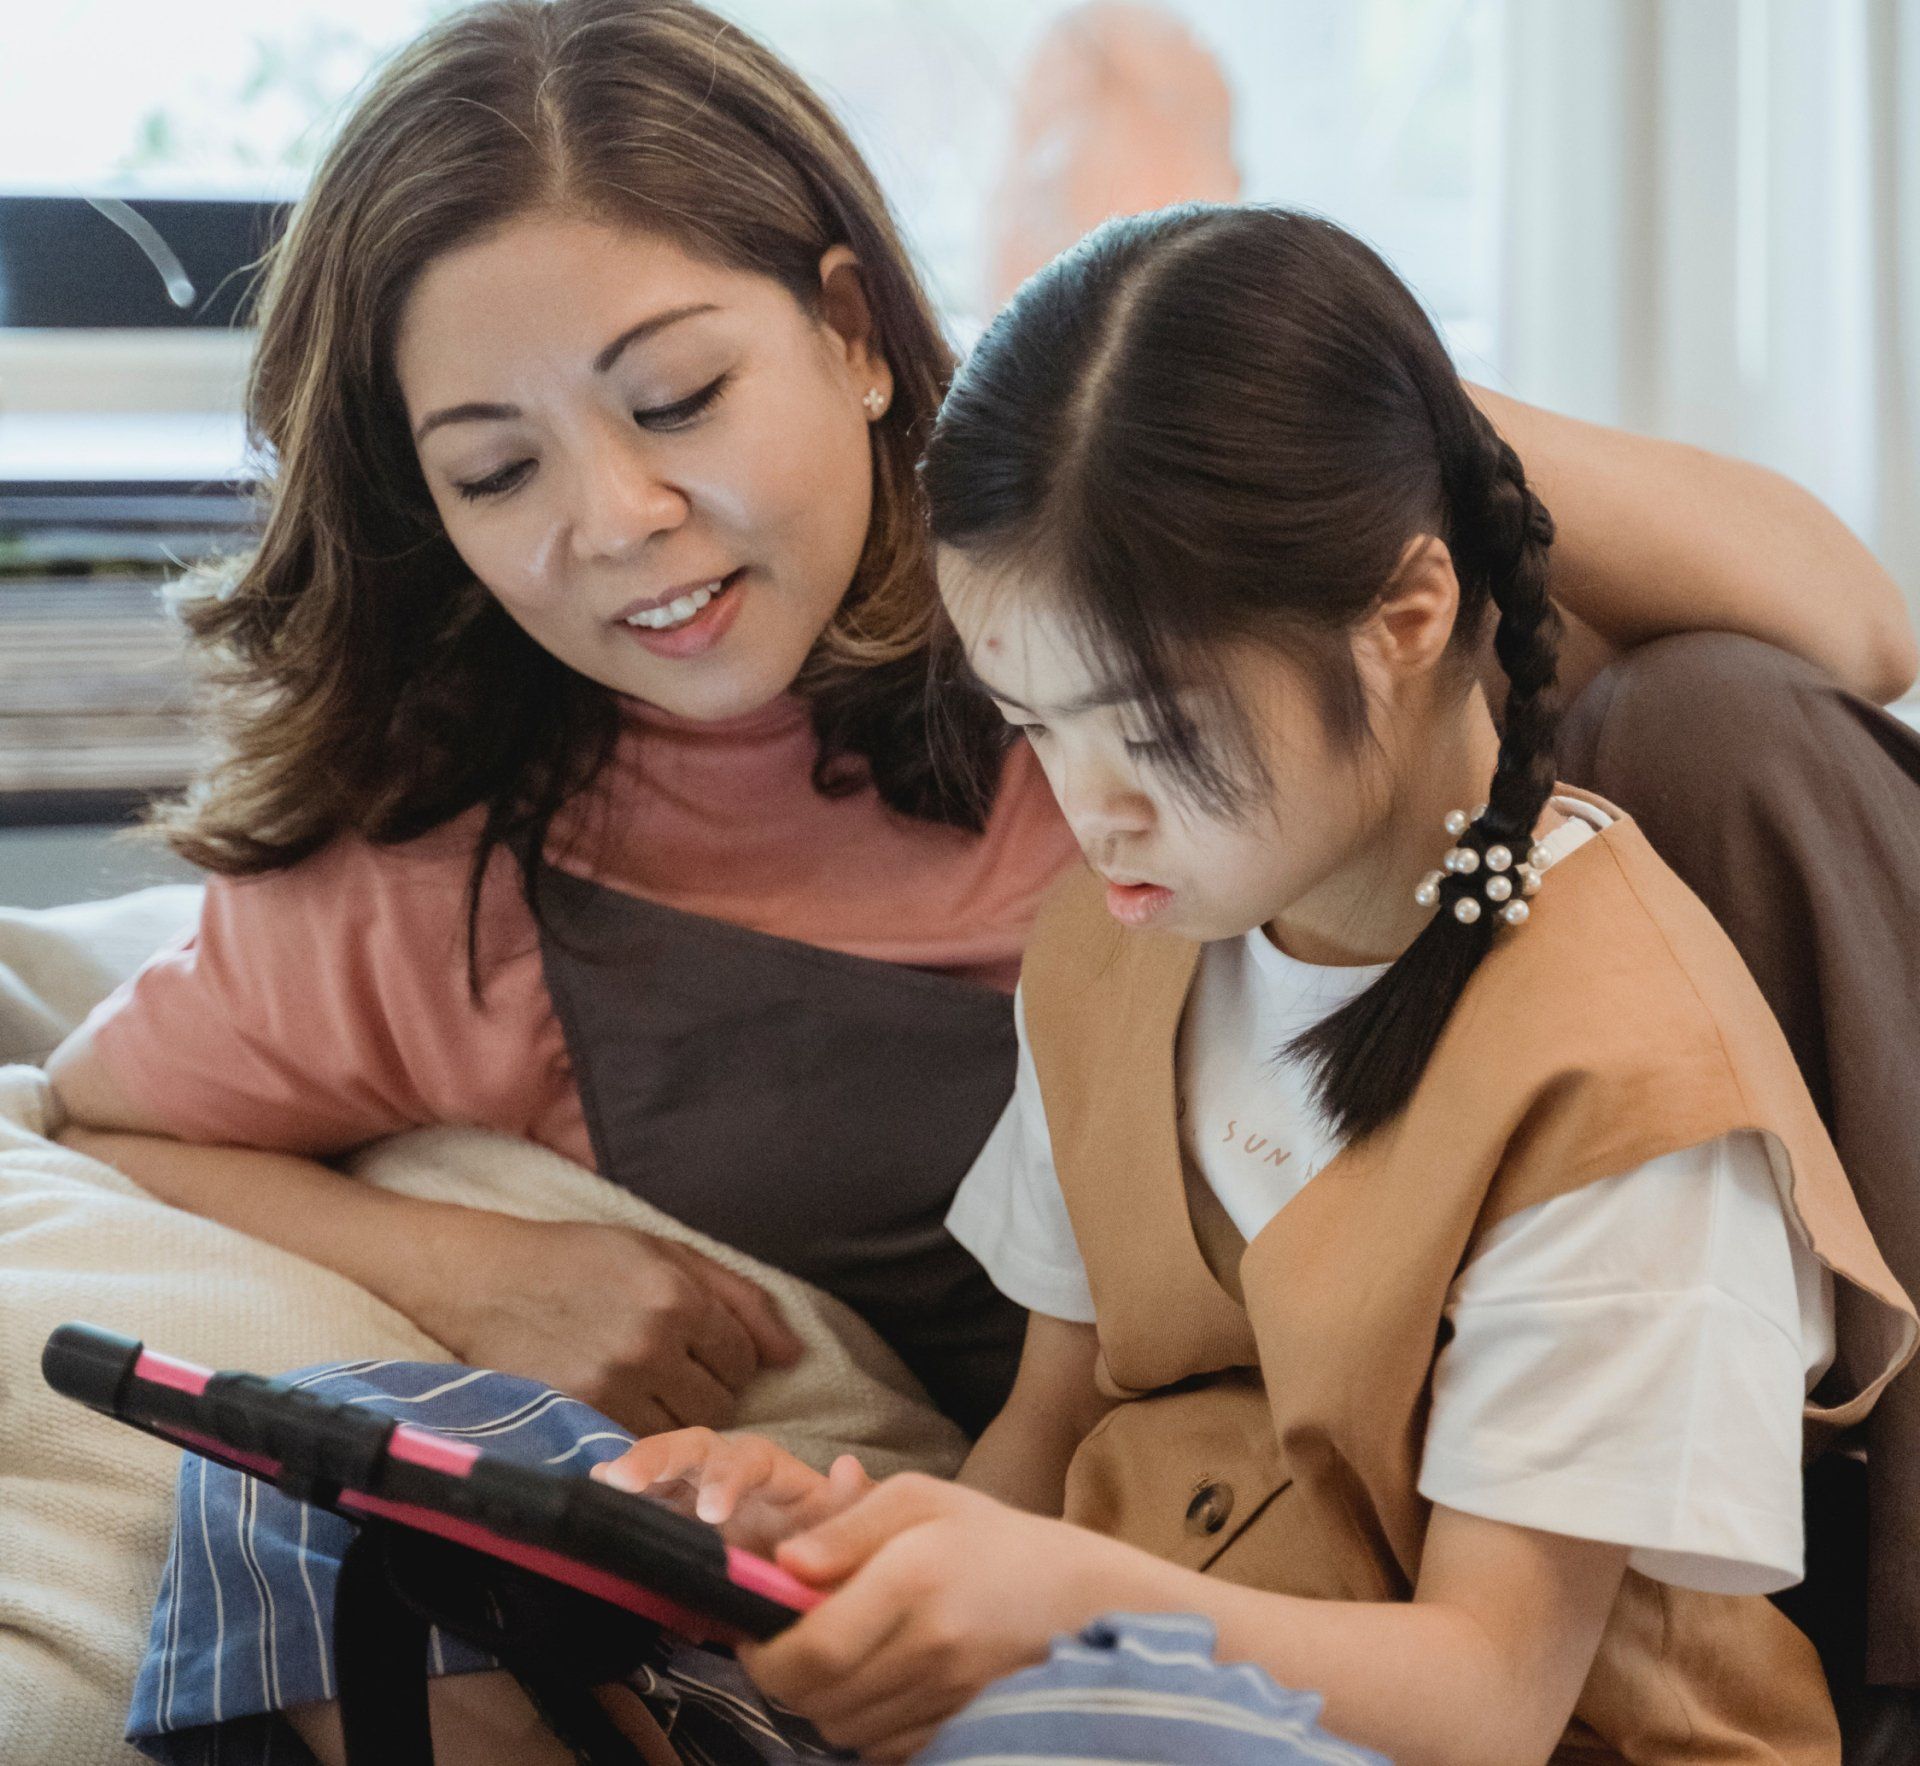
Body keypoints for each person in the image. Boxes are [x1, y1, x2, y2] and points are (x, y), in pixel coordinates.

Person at [46, 0, 1912, 1757]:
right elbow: (97, 1118)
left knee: (1733, 718)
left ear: (856, 329)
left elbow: (1849, 628)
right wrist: (540, 1312)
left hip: (1410, 1601)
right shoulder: (1048, 947)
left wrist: (1269, 379)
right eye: (492, 467)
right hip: (1130, 1555)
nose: (613, 519)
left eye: (681, 397)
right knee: (324, 1495)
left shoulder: (1189, 609)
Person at [590, 205, 1917, 1764]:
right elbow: (1048, 1433)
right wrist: (839, 1552)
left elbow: (1491, 1697)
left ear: (1408, 617)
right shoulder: (1113, 947)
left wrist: (1065, 1602)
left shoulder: (1629, 1086)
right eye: (1037, 724)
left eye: (1153, 737)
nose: (1091, 813)